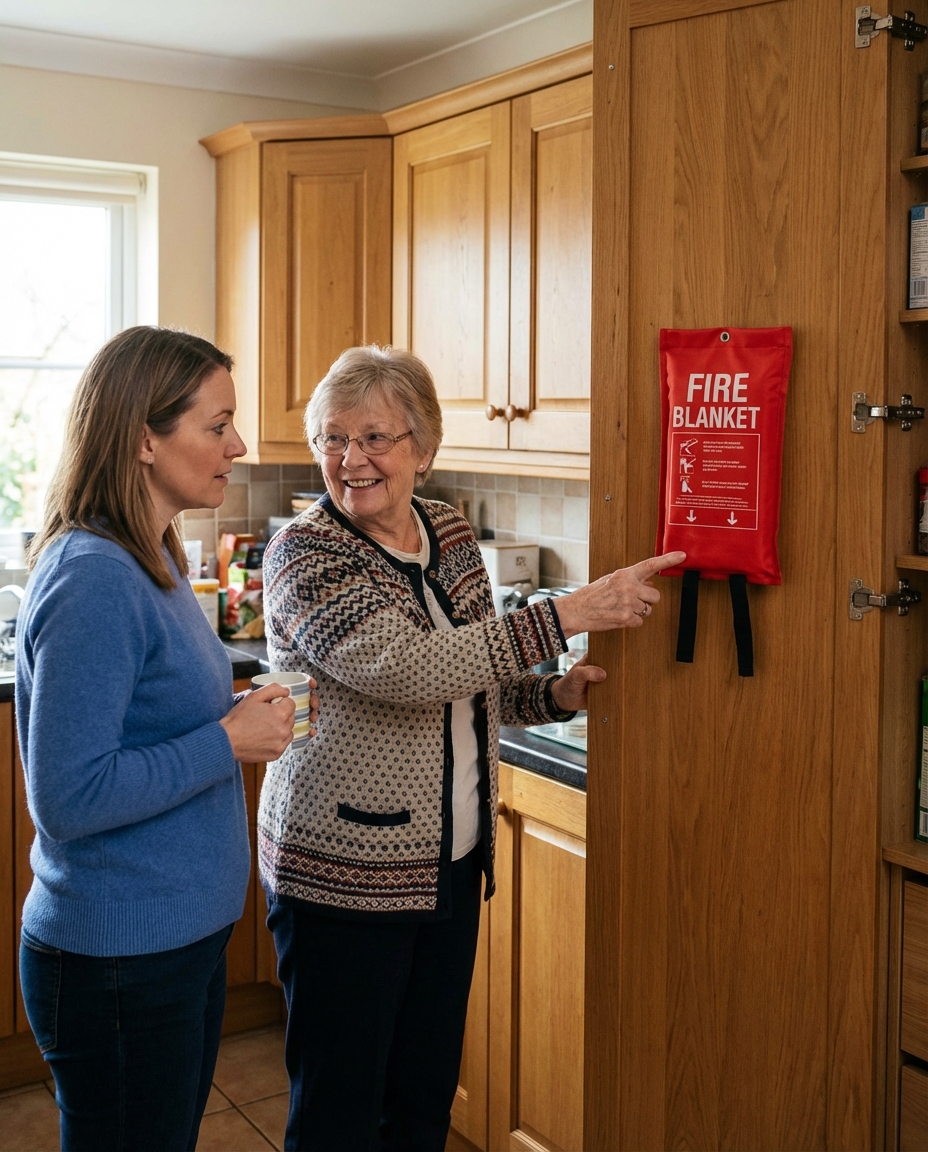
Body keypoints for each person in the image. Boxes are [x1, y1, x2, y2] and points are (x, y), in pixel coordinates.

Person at [258, 344, 684, 1152]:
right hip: (342, 876)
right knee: (338, 1115)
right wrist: (568, 613)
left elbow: (473, 679)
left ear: (423, 447)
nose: (351, 460)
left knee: (422, 1102)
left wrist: (548, 695)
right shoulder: (304, 553)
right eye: (333, 438)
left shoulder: (448, 532)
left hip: (448, 867)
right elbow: (405, 668)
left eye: (374, 437)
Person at [15, 326, 309, 1152]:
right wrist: (227, 741)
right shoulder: (96, 576)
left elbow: (152, 717)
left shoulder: (156, 555)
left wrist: (235, 716)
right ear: (145, 438)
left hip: (170, 944)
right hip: (120, 960)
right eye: (217, 425)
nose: (238, 445)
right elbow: (69, 797)